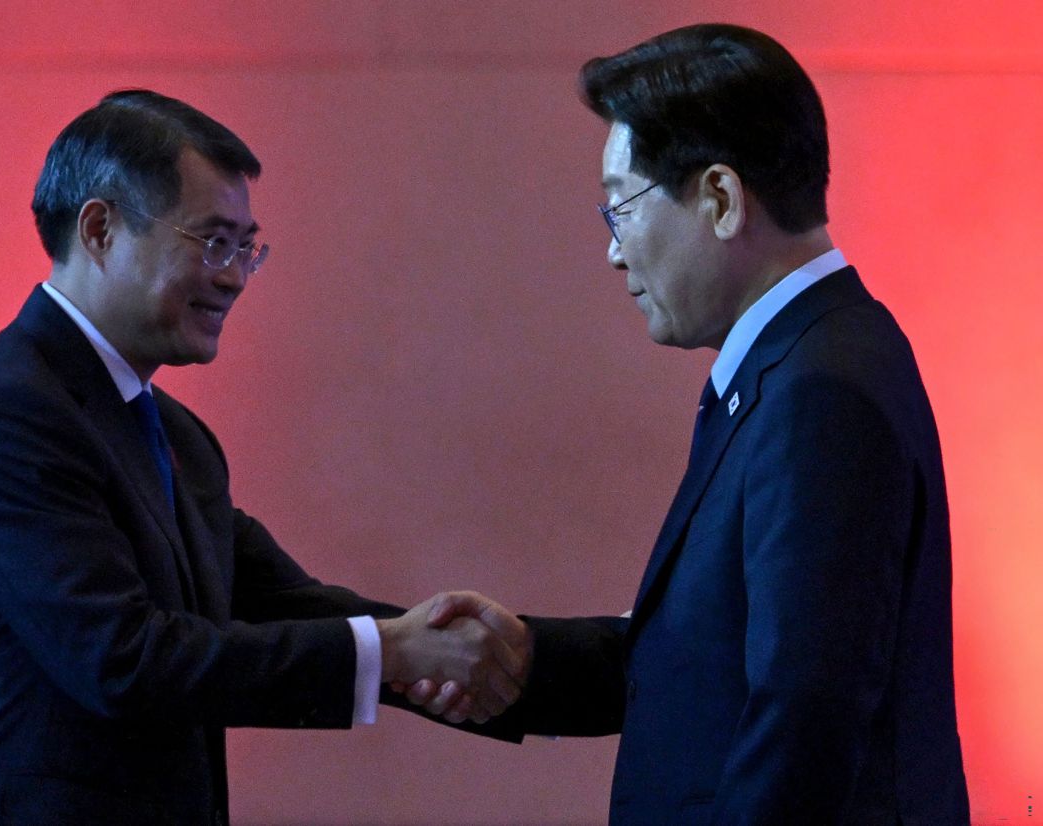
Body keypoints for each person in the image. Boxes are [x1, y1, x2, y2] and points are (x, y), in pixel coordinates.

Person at [0, 89, 528, 826]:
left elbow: (288, 608)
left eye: (246, 247)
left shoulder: (173, 434)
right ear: (99, 229)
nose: (233, 276)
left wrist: (561, 659)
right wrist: (395, 652)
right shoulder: (7, 413)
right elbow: (124, 660)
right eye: (212, 241)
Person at [411, 23, 970, 824]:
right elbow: (722, 651)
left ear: (719, 199)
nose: (613, 252)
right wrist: (531, 663)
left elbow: (803, 717)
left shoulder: (821, 388)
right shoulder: (806, 356)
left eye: (622, 209)